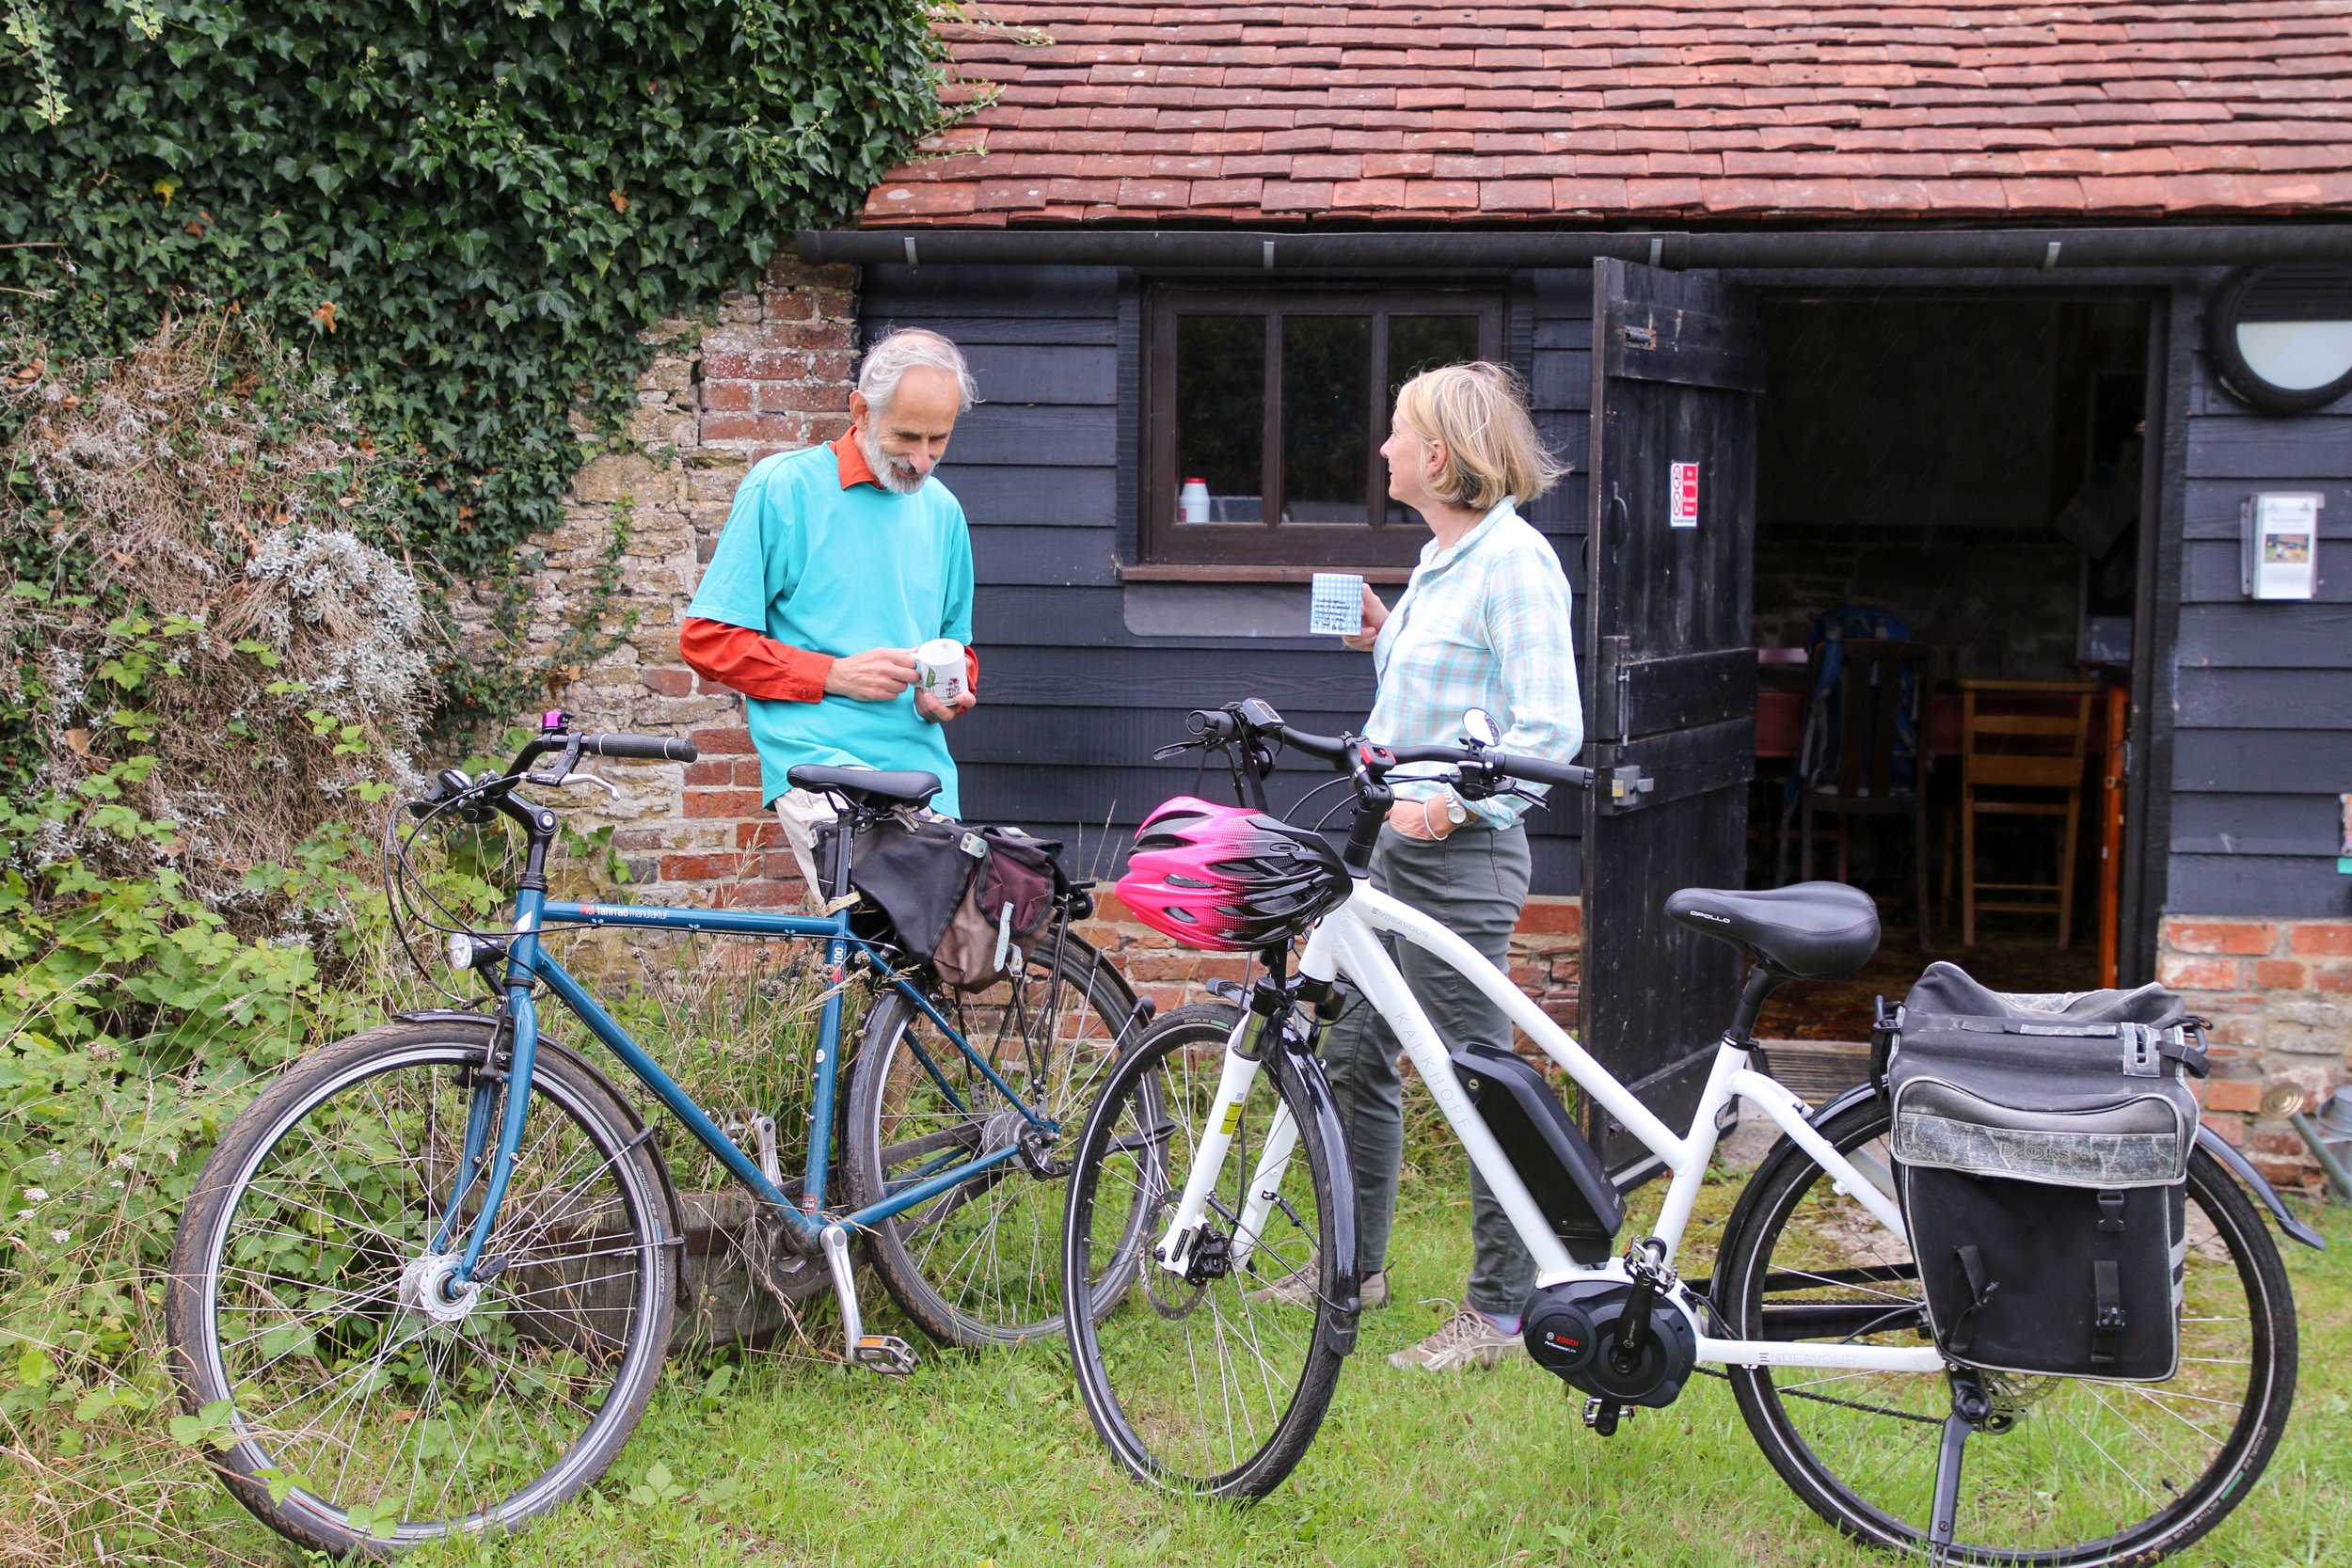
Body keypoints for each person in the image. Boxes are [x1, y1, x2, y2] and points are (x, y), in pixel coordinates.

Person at [1324, 361, 1584, 1371]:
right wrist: (1388, 639)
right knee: (1352, 1054)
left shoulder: (1514, 561)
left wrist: (1457, 802)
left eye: (1396, 431)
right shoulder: (1443, 557)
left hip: (1461, 854)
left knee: (1478, 1079)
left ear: (1436, 454)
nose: (1383, 446)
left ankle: (1503, 1307)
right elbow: (1445, 699)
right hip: (1394, 843)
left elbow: (1545, 727)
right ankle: (1362, 1263)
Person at [679, 327, 981, 899]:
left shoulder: (944, 512)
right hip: (820, 767)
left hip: (923, 772)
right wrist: (834, 675)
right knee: (877, 929)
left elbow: (956, 644)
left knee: (926, 964)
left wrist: (950, 688)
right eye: (907, 436)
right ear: (861, 411)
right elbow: (706, 640)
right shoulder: (782, 488)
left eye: (938, 440)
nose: (922, 460)